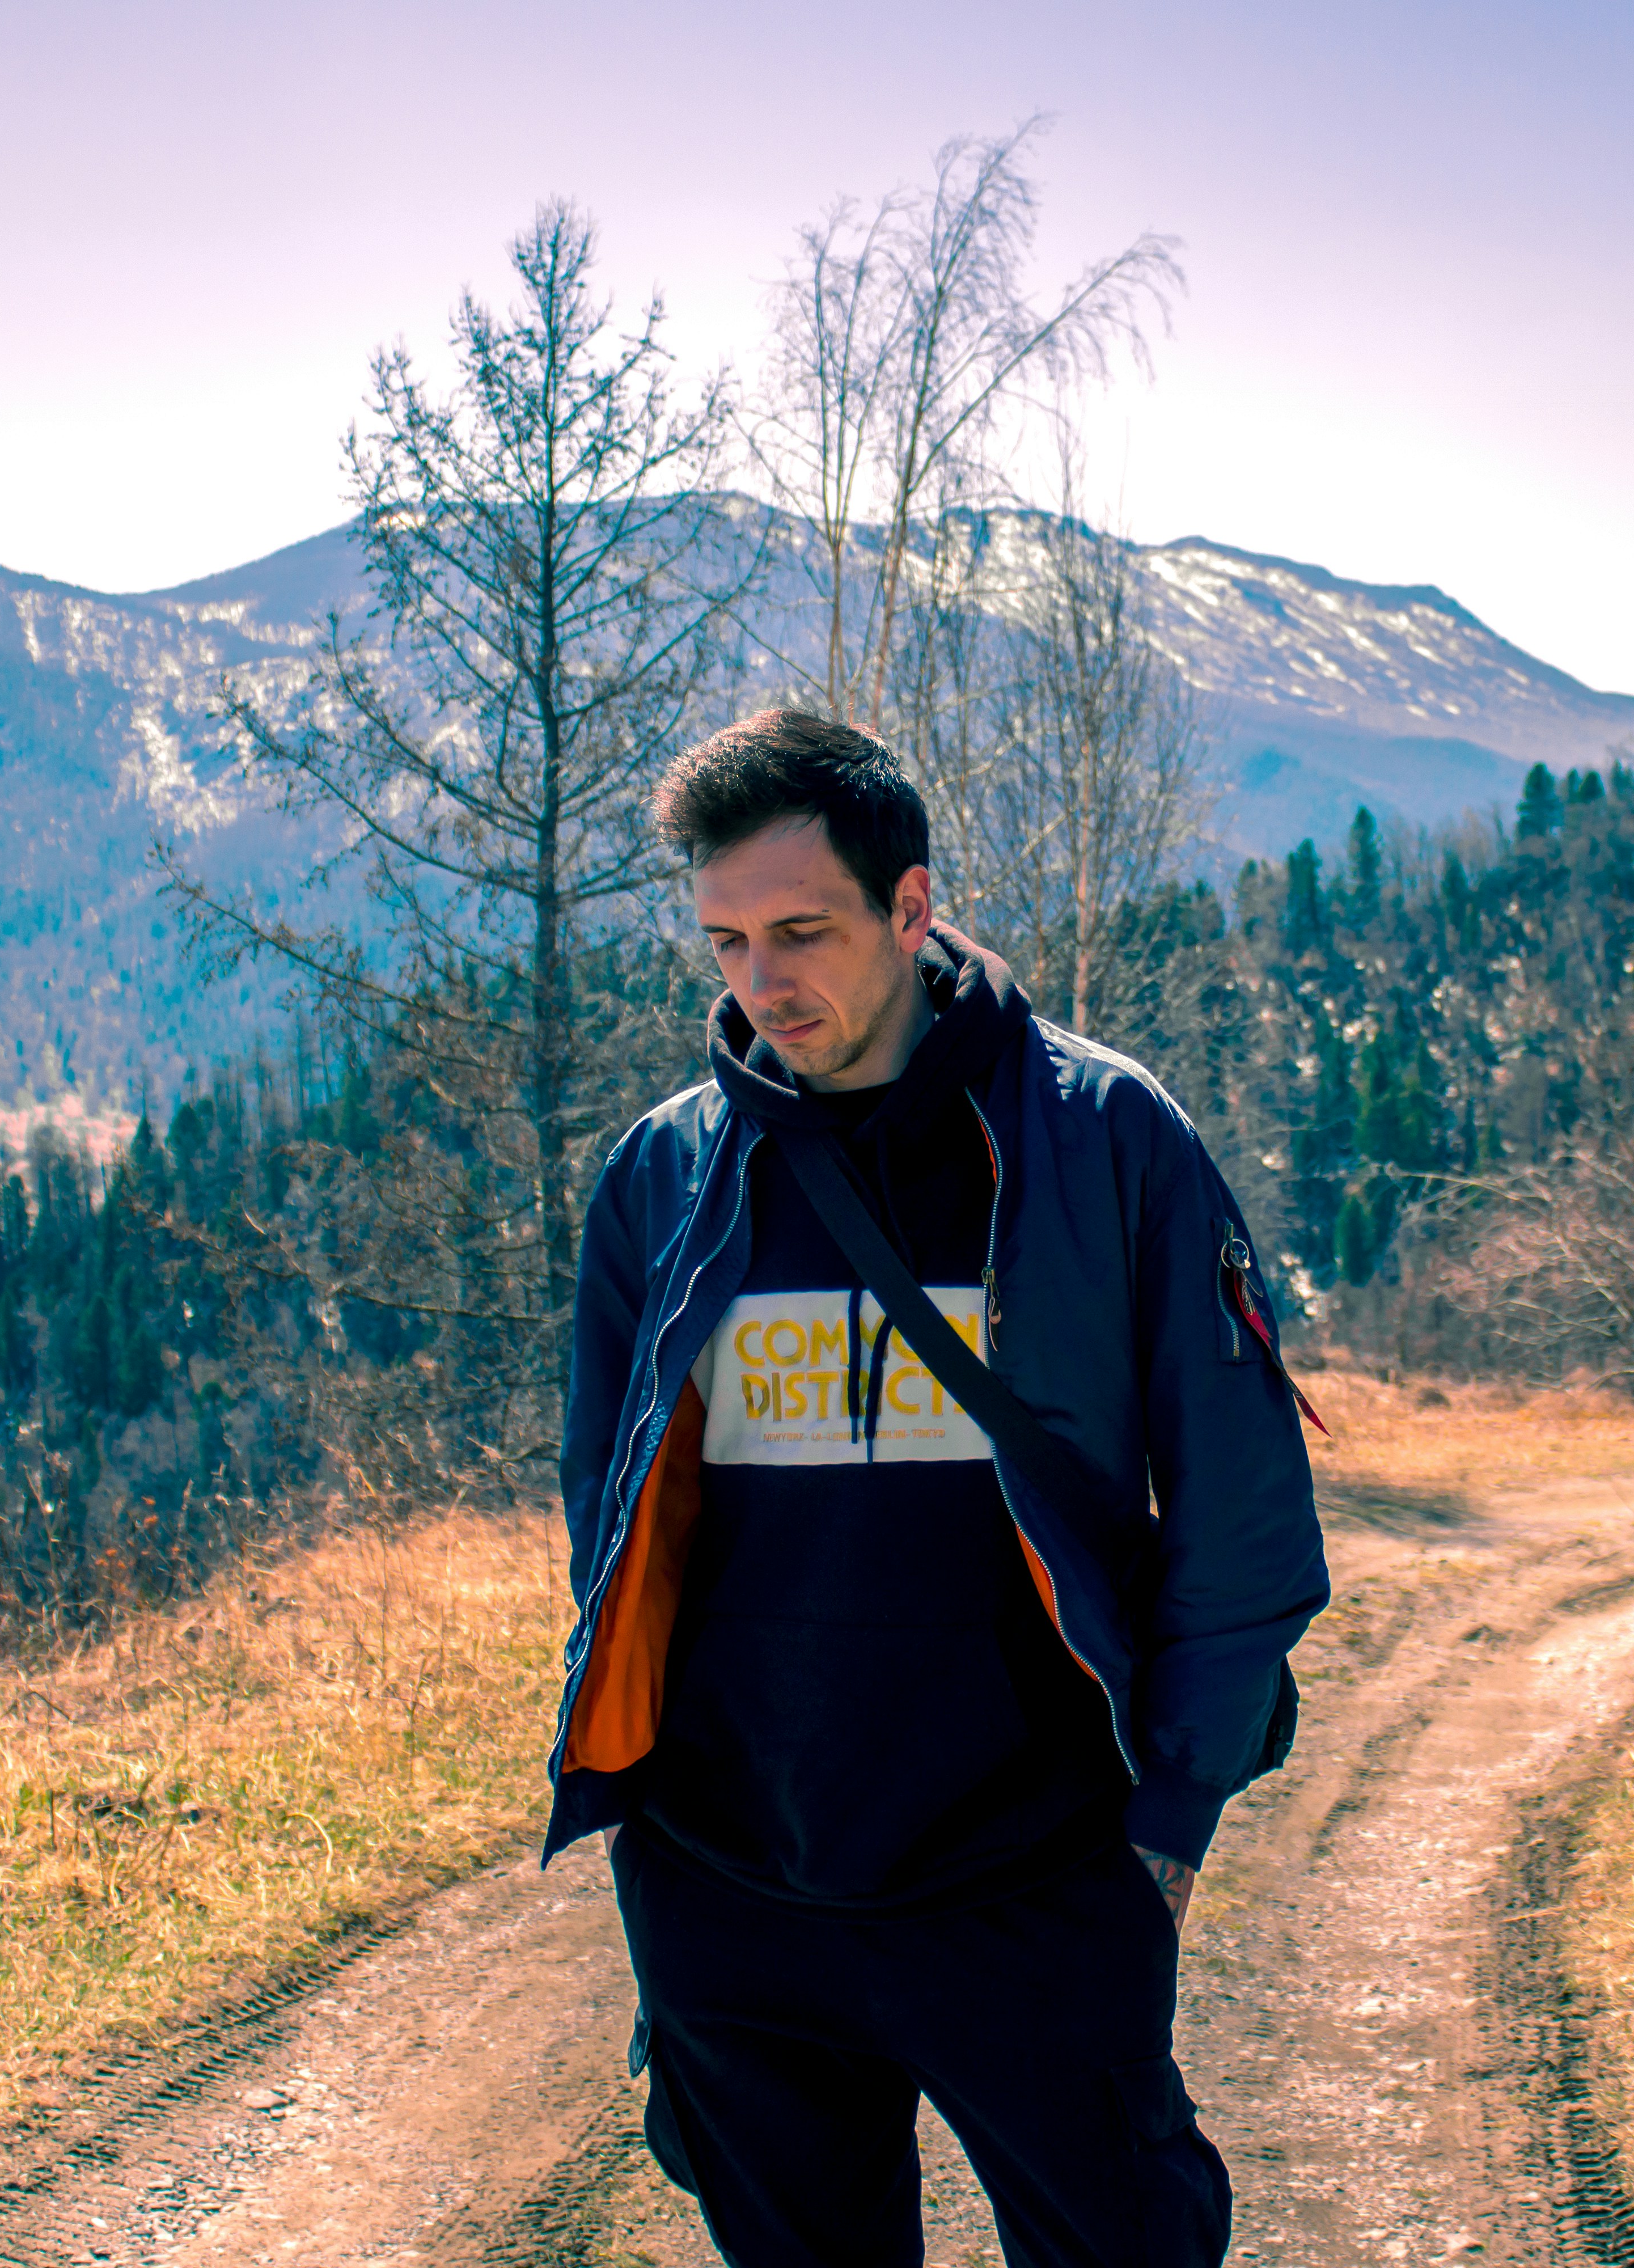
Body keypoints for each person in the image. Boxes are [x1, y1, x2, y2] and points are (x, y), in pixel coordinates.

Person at [545, 708, 1328, 2266]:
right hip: (730, 1890)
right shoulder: (663, 1176)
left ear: (911, 908)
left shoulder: (1097, 1142)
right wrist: (655, 1856)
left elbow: (1244, 1519)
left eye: (804, 932)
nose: (765, 986)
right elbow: (610, 1517)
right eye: (726, 944)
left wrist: (1163, 1828)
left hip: (1031, 1884)